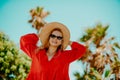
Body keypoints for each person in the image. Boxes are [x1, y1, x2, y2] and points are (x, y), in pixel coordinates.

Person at [20, 22, 86, 80]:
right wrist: (40, 35)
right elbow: (24, 40)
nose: (55, 39)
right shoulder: (37, 52)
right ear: (49, 37)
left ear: (61, 41)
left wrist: (69, 42)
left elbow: (81, 49)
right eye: (53, 36)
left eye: (59, 37)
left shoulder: (65, 56)